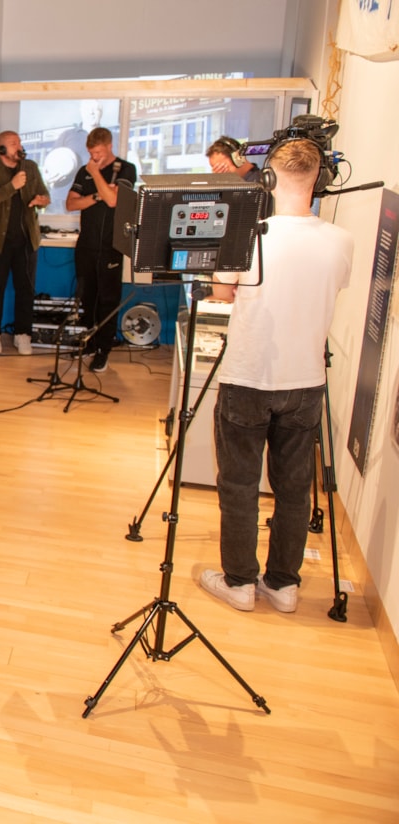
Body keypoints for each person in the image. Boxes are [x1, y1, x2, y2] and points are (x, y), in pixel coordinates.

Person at [199, 139, 352, 613]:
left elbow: (221, 293)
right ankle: (284, 585)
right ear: (318, 181)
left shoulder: (249, 233)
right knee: (292, 487)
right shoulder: (340, 240)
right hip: (305, 381)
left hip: (248, 377)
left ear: (267, 179)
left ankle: (240, 581)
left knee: (239, 484)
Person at [66, 127, 137, 373]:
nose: (94, 158)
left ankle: (104, 349)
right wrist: (96, 195)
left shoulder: (126, 169)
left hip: (110, 247)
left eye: (98, 152)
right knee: (87, 297)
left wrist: (96, 175)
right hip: (86, 245)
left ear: (109, 146)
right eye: (91, 153)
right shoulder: (83, 172)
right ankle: (91, 342)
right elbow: (71, 203)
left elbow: (114, 200)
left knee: (108, 299)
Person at [0, 130, 51, 355]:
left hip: (26, 241)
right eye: (12, 143)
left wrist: (41, 200)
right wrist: (12, 186)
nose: (18, 146)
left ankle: (23, 334)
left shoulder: (30, 167)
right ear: (0, 149)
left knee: (25, 289)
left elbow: (45, 195)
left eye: (19, 142)